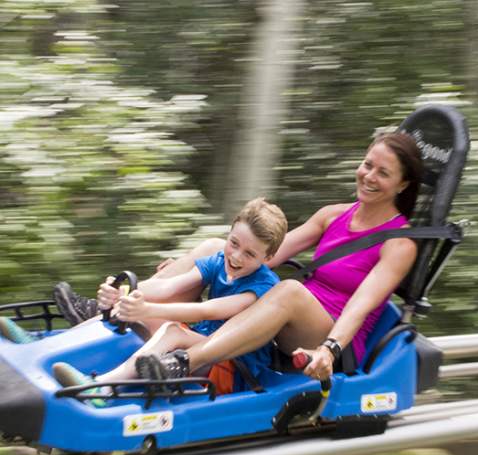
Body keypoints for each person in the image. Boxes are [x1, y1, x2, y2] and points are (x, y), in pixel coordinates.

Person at [57, 131, 423, 386]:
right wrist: (200, 259)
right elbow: (267, 251)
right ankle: (116, 305)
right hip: (286, 312)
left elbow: (360, 306)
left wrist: (329, 349)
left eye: (383, 172)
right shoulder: (334, 214)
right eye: (367, 164)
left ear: (402, 185)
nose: (369, 176)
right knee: (216, 246)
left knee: (289, 289)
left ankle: (187, 361)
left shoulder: (399, 244)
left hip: (330, 337)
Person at [53, 197, 288, 400]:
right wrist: (121, 293)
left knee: (171, 329)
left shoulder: (264, 287)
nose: (235, 256)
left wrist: (147, 309)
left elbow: (208, 311)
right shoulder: (218, 261)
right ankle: (53, 347)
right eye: (233, 243)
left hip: (230, 365)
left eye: (249, 254)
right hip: (201, 343)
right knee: (132, 312)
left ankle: (100, 388)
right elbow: (169, 286)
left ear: (267, 258)